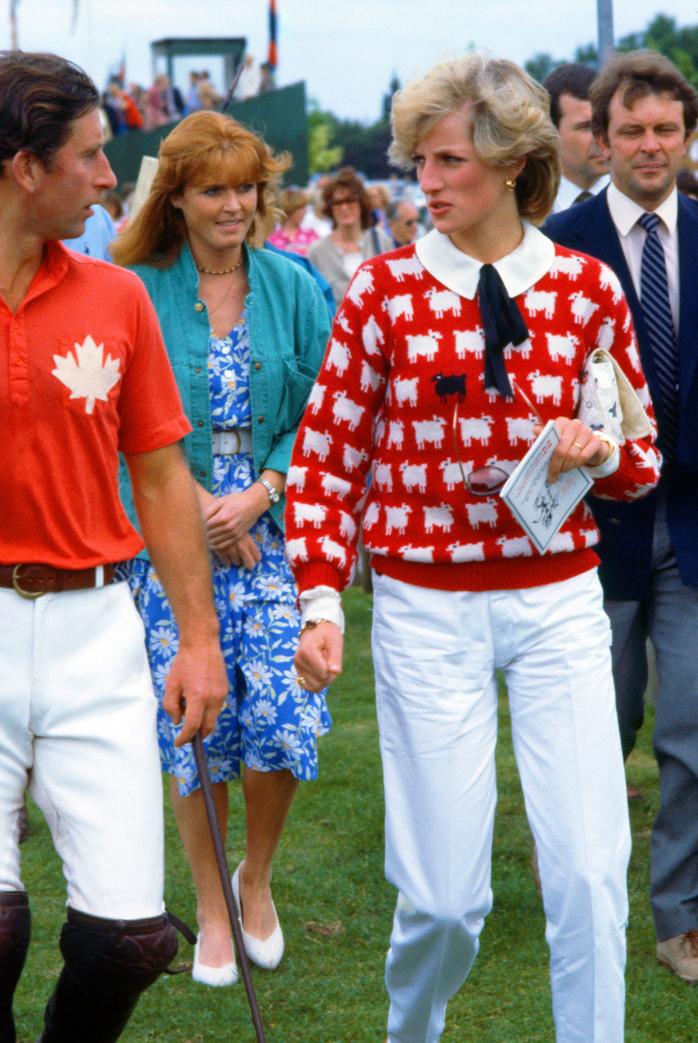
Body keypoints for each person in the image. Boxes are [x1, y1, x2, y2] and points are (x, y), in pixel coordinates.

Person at [287, 54, 660, 1042]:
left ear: (512, 162)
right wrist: (320, 601)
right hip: (422, 605)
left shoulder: (586, 290)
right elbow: (325, 459)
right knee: (445, 898)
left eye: (449, 159)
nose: (428, 181)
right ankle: (413, 1028)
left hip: (561, 600)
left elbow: (642, 456)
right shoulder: (379, 291)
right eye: (420, 161)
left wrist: (600, 444)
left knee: (587, 872)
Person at [0, 50, 227, 1043]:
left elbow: (163, 481)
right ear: (24, 167)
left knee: (131, 938)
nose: (111, 177)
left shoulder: (114, 297)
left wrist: (198, 641)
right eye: (90, 156)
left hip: (97, 633)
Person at [111, 110, 332, 987]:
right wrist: (197, 506)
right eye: (214, 188)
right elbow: (114, 421)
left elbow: (324, 406)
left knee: (279, 712)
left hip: (271, 529)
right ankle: (208, 904)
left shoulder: (293, 284)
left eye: (246, 186)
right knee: (196, 720)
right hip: (168, 530)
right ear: (177, 198)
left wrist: (261, 493)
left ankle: (257, 877)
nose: (234, 203)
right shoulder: (135, 287)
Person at [544, 49, 698, 985]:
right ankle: (580, 883)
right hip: (593, 531)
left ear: (686, 136)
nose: (650, 146)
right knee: (601, 724)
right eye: (632, 130)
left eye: (666, 129)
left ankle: (679, 915)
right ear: (600, 141)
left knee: (691, 728)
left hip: (694, 527)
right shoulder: (557, 245)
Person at [307, 167, 393, 304]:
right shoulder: (317, 251)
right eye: (338, 203)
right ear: (330, 208)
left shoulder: (381, 241)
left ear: (361, 203)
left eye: (350, 201)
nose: (344, 208)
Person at [544, 63, 610, 212]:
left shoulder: (639, 201)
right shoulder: (522, 210)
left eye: (605, 124)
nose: (602, 138)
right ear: (550, 133)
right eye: (587, 127)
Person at [267, 185, 321, 256]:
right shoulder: (271, 238)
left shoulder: (311, 235)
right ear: (291, 210)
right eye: (301, 208)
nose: (305, 211)